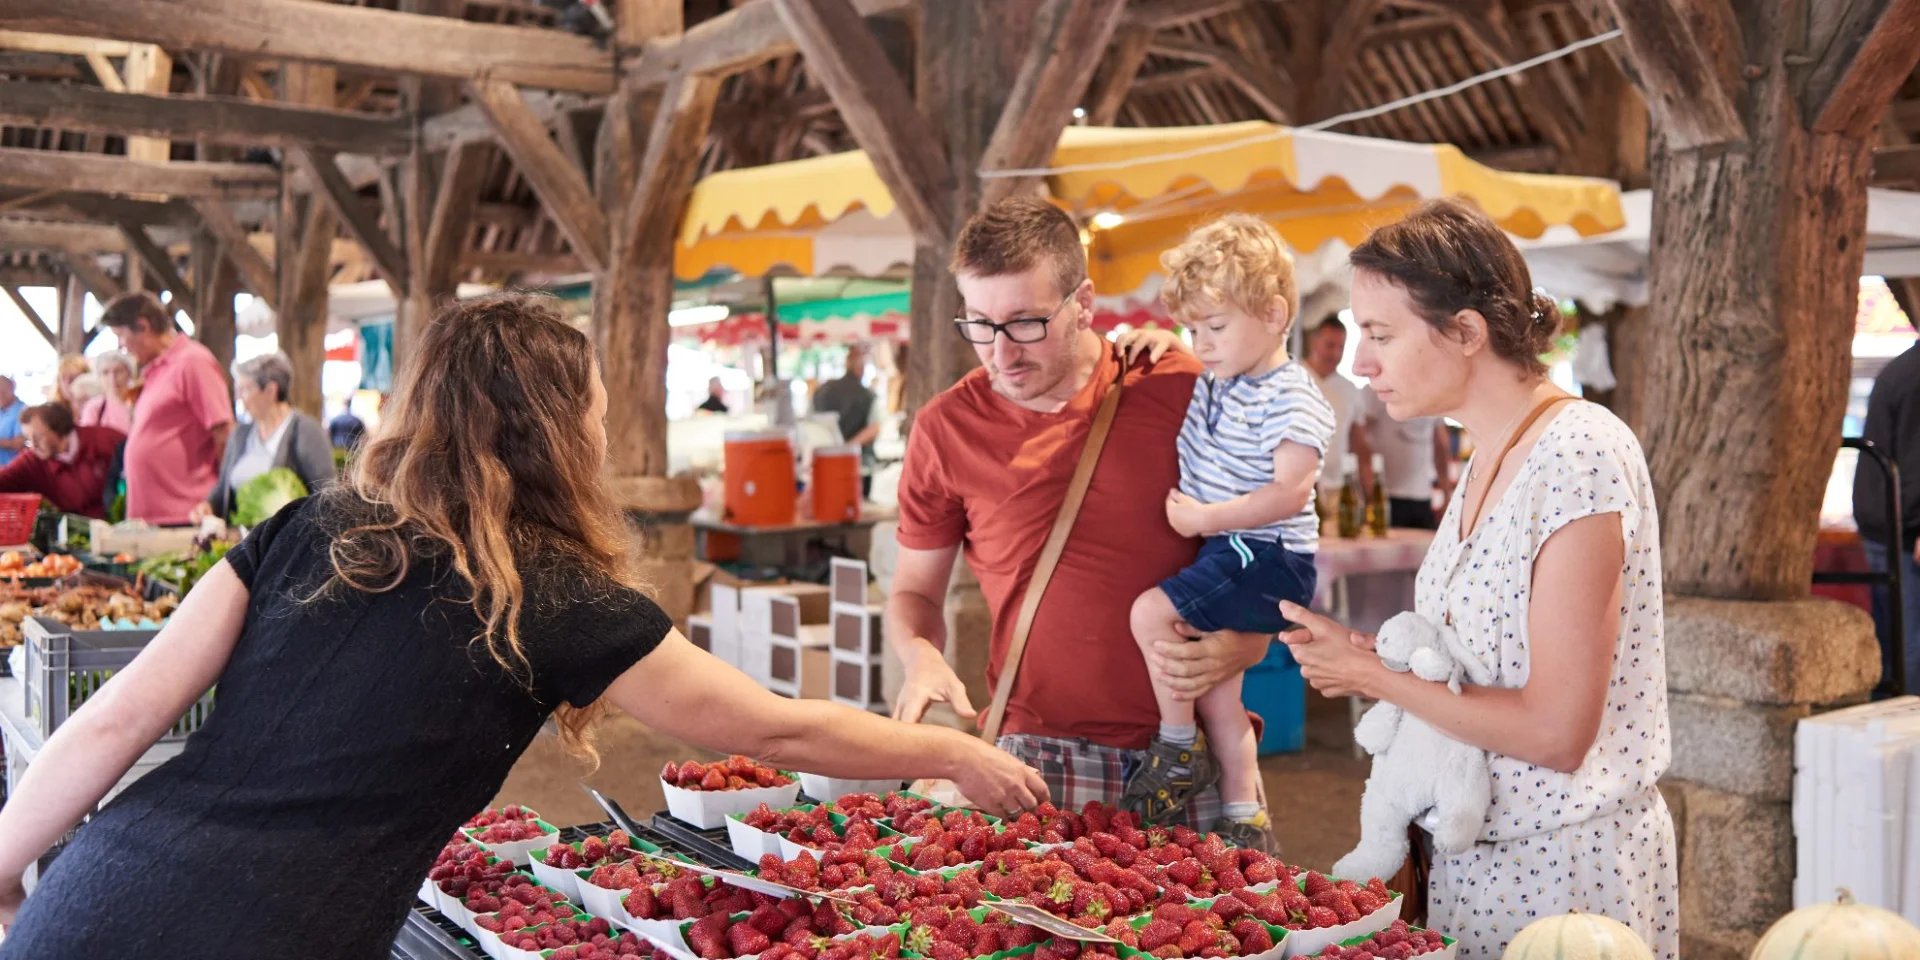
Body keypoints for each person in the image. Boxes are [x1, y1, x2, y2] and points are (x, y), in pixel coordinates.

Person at [0, 293, 1047, 958]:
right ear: (558, 431)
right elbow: (774, 728)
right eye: (593, 407)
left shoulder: (307, 525)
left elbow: (117, 719)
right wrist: (949, 752)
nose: (603, 425)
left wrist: (5, 867)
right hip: (276, 932)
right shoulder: (554, 597)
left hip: (94, 896)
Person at [1277, 198, 1675, 958]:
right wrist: (1371, 653)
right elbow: (1487, 664)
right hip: (1476, 861)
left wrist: (1374, 678)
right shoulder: (1492, 449)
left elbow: (1556, 731)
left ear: (1466, 331)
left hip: (1562, 876)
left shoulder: (1577, 453)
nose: (1361, 363)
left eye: (1380, 335)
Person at [889, 197, 1273, 831]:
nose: (1001, 353)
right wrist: (921, 654)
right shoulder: (945, 427)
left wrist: (1250, 639)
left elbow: (1269, 537)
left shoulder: (1178, 386)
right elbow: (914, 592)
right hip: (1032, 752)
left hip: (1187, 750)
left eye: (1026, 323)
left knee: (1221, 902)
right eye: (980, 323)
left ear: (1084, 303)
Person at [1118, 215, 1332, 850]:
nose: (1202, 344)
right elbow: (1197, 353)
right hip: (1237, 547)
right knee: (1219, 696)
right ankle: (1244, 816)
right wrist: (1159, 339)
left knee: (1150, 612)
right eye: (1192, 329)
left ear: (1273, 314)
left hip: (1263, 551)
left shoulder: (1290, 393)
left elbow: (1290, 492)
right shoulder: (1228, 374)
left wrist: (1204, 519)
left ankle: (1176, 748)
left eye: (1214, 327)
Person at [98, 292, 233, 526]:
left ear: (143, 326)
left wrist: (218, 501)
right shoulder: (154, 369)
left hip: (186, 516)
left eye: (120, 335)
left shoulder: (193, 361)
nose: (120, 346)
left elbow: (223, 433)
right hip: (151, 520)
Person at [189, 352, 336, 524]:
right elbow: (222, 489)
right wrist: (208, 505)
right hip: (239, 536)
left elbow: (327, 494)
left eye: (245, 389)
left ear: (270, 391)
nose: (238, 398)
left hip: (286, 537)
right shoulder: (240, 434)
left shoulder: (306, 431)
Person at [1853, 339, 1920, 695]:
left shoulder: (1900, 369)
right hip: (1901, 528)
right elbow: (1913, 462)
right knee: (1909, 643)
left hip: (1886, 522)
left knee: (1895, 638)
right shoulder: (1912, 374)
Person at [0, 403, 124, 518]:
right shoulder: (32, 460)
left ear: (59, 430)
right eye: (28, 439)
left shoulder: (106, 440)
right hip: (76, 529)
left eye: (38, 437)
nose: (33, 446)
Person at [1359, 386, 1453, 530]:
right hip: (1384, 495)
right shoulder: (1376, 388)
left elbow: (1441, 447)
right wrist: (1368, 494)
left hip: (1422, 496)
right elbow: (1359, 442)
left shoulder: (1433, 392)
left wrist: (1447, 496)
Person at [1303, 317, 1374, 498]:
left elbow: (1360, 446)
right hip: (1294, 488)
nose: (1335, 353)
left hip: (1335, 487)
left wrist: (1369, 495)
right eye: (1330, 345)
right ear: (1314, 342)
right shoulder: (1291, 378)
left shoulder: (1350, 390)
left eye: (1340, 347)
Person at [812, 343, 884, 497]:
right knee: (857, 506)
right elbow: (874, 429)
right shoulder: (868, 396)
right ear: (861, 369)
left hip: (825, 463)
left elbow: (811, 424)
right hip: (859, 466)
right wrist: (847, 449)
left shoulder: (822, 391)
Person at [80, 351, 137, 435]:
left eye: (118, 371)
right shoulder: (94, 408)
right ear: (99, 377)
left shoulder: (140, 402)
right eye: (105, 372)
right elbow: (88, 438)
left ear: (129, 374)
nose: (112, 378)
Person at [0, 376, 25, 468]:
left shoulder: (23, 411)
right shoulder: (1, 410)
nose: (0, 394)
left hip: (11, 469)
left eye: (3, 390)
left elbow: (19, 444)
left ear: (12, 388)